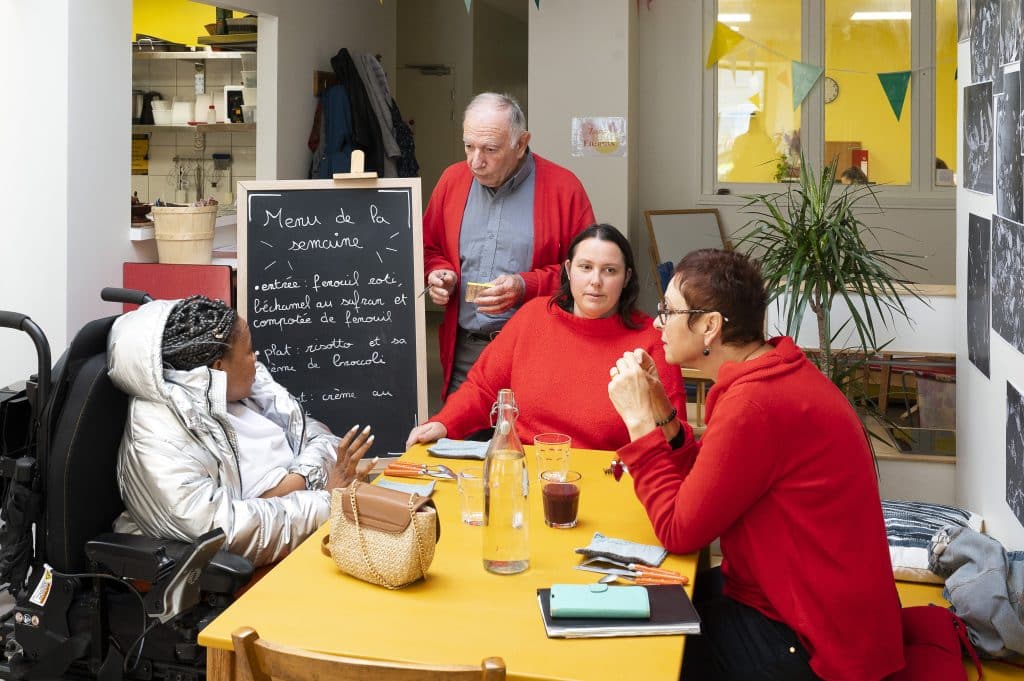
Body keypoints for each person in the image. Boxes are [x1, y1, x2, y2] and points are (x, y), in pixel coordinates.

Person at [606, 250, 903, 681]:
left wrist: (637, 423)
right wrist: (662, 416)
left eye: (668, 310)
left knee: (637, 655)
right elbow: (709, 485)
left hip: (813, 638)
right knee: (633, 603)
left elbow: (679, 530)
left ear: (709, 325)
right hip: (784, 598)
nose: (658, 322)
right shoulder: (768, 373)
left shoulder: (755, 404)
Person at [108, 296, 374, 567]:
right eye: (249, 351)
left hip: (307, 527)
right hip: (258, 566)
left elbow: (320, 436)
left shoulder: (245, 390)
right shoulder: (158, 438)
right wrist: (324, 501)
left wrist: (300, 481)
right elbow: (224, 530)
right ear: (217, 367)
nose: (256, 358)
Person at [407, 224, 688, 451]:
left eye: (609, 270)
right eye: (585, 267)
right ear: (568, 270)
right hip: (527, 473)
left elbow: (675, 434)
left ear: (626, 278)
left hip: (612, 479)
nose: (595, 281)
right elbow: (482, 389)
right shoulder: (533, 317)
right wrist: (444, 423)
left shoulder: (653, 340)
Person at [423, 92, 595, 398]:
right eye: (469, 146)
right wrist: (438, 273)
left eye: (490, 149)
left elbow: (589, 274)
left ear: (521, 142)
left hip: (538, 353)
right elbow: (429, 248)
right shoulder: (452, 181)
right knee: (460, 443)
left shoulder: (563, 189)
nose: (476, 161)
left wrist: (524, 286)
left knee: (529, 445)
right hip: (466, 353)